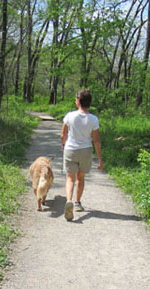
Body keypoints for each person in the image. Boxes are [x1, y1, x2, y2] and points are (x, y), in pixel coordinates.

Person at [60, 88, 103, 221]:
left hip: (70, 149)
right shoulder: (93, 119)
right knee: (80, 177)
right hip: (85, 150)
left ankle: (69, 200)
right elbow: (96, 141)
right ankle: (78, 203)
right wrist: (100, 160)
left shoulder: (69, 116)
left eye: (75, 98)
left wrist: (64, 144)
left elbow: (63, 134)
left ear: (78, 101)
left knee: (70, 178)